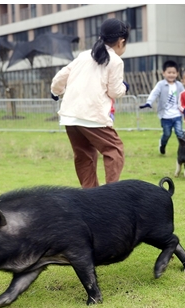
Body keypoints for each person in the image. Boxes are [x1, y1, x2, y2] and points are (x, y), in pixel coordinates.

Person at [51, 18, 129, 188]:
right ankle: (112, 194)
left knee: (84, 156)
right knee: (114, 150)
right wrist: (125, 87)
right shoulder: (115, 60)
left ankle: (90, 198)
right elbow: (115, 91)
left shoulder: (84, 55)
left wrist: (56, 92)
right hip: (92, 115)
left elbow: (60, 76)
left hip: (70, 116)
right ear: (121, 41)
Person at [139, 60, 185, 155]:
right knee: (167, 134)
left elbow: (184, 96)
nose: (171, 75)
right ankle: (162, 144)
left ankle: (183, 150)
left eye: (173, 73)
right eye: (169, 72)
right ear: (164, 73)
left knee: (180, 133)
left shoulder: (179, 85)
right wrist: (149, 102)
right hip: (165, 116)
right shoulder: (161, 84)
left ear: (177, 73)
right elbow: (154, 93)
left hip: (177, 115)